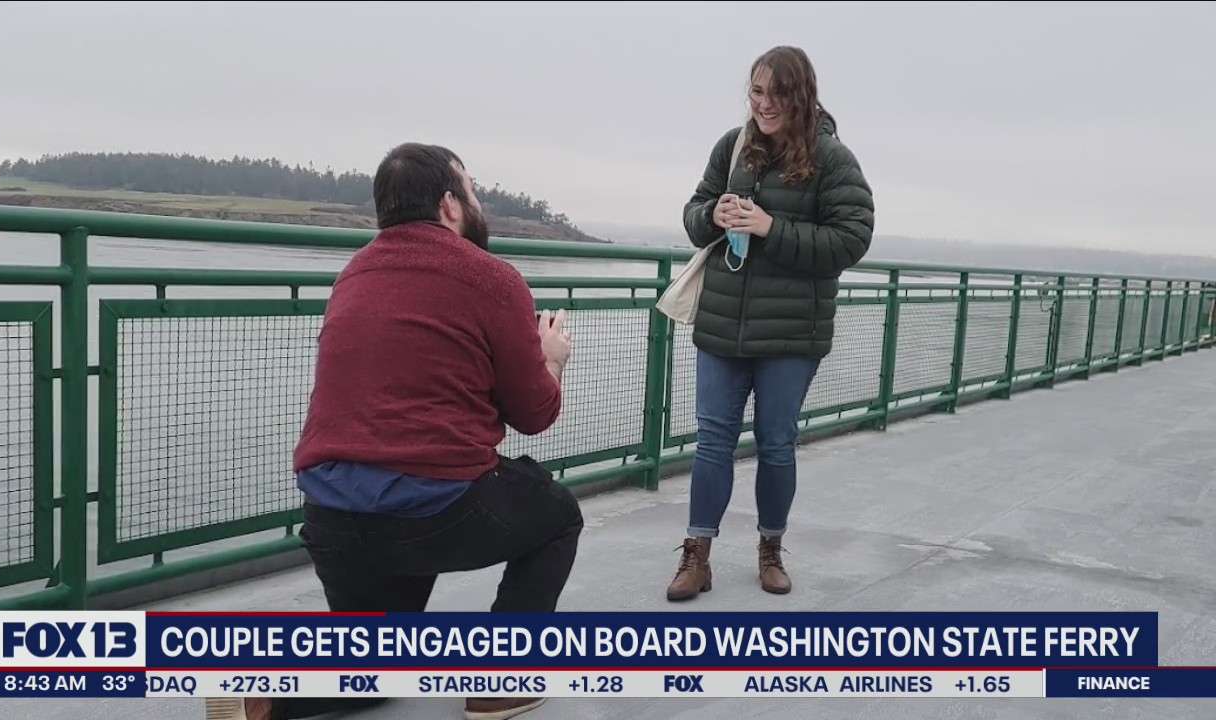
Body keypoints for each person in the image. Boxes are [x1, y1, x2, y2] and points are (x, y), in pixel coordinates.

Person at [205, 143, 581, 720]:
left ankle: (262, 691)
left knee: (373, 669)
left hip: (330, 510)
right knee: (557, 515)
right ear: (450, 205)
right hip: (434, 506)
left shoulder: (354, 272)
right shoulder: (493, 278)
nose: (479, 203)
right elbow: (533, 416)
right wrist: (550, 357)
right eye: (473, 190)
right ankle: (502, 682)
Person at [668, 46, 875, 601]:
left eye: (776, 94)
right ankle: (697, 554)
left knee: (776, 444)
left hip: (790, 332)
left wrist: (769, 226)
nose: (764, 105)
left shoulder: (833, 158)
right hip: (722, 324)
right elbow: (693, 214)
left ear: (800, 96)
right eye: (756, 92)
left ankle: (770, 549)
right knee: (711, 442)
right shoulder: (731, 147)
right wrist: (710, 214)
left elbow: (851, 240)